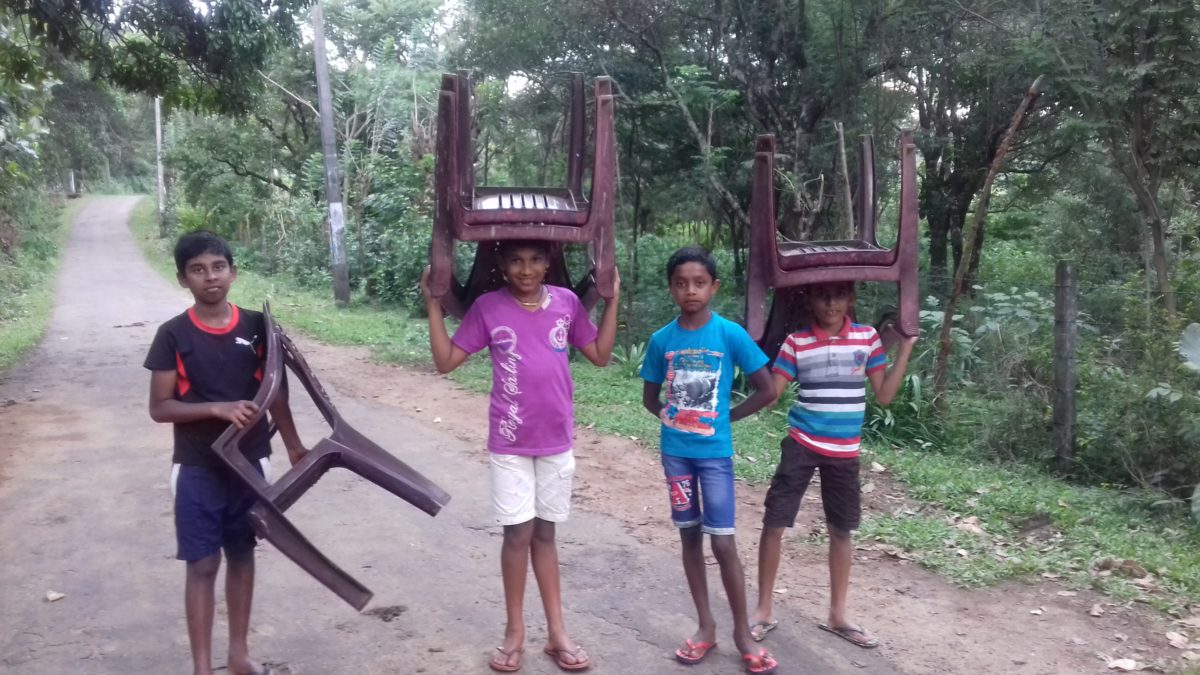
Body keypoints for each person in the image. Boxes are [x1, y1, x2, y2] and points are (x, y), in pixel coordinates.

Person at [420, 239, 618, 672]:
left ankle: (557, 633)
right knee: (517, 536)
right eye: (515, 261)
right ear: (502, 265)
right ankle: (514, 632)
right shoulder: (489, 307)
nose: (525, 270)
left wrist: (611, 301)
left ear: (548, 264)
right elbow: (446, 362)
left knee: (546, 536)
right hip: (510, 444)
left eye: (534, 260)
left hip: (556, 442)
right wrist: (434, 306)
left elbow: (600, 356)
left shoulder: (566, 303)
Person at [144, 230, 307, 675]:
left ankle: (238, 656)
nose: (209, 277)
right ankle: (202, 667)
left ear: (233, 272)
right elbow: (160, 408)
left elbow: (276, 392)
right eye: (197, 270)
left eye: (218, 267)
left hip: (251, 464)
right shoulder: (172, 335)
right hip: (197, 467)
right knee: (201, 563)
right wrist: (216, 407)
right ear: (183, 279)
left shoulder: (258, 326)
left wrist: (293, 445)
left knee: (241, 553)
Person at [749, 281, 916, 649]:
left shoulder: (867, 339)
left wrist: (905, 347)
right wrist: (746, 351)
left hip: (844, 451)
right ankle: (763, 610)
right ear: (810, 299)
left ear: (850, 300)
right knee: (774, 522)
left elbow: (884, 396)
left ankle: (838, 615)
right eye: (823, 295)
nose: (830, 303)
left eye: (838, 295)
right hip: (801, 444)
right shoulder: (796, 342)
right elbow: (773, 394)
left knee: (841, 530)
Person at [639, 245, 779, 675]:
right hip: (676, 457)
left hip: (714, 457)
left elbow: (768, 389)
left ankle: (741, 633)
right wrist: (673, 418)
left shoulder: (730, 335)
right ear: (671, 289)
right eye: (681, 284)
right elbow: (650, 398)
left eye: (699, 283)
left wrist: (726, 418)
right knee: (689, 537)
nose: (690, 291)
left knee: (722, 541)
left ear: (714, 287)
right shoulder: (662, 339)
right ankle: (705, 627)